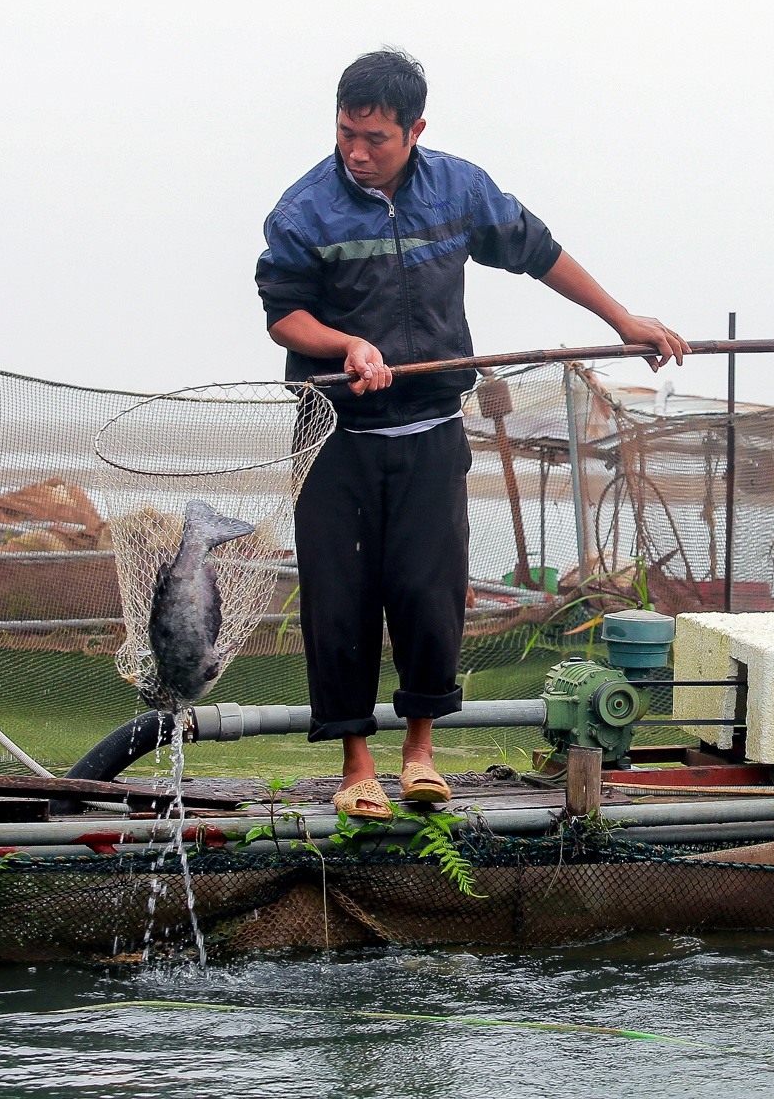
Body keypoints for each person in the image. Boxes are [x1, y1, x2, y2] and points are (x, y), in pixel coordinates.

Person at [255, 49, 688, 816]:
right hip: (336, 437)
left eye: (375, 138)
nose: (356, 152)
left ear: (415, 129)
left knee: (427, 596)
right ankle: (358, 767)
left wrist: (622, 320)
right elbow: (284, 313)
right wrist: (346, 346)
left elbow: (538, 250)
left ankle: (419, 753)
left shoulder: (459, 189)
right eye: (346, 133)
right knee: (340, 601)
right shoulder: (304, 210)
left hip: (430, 429)